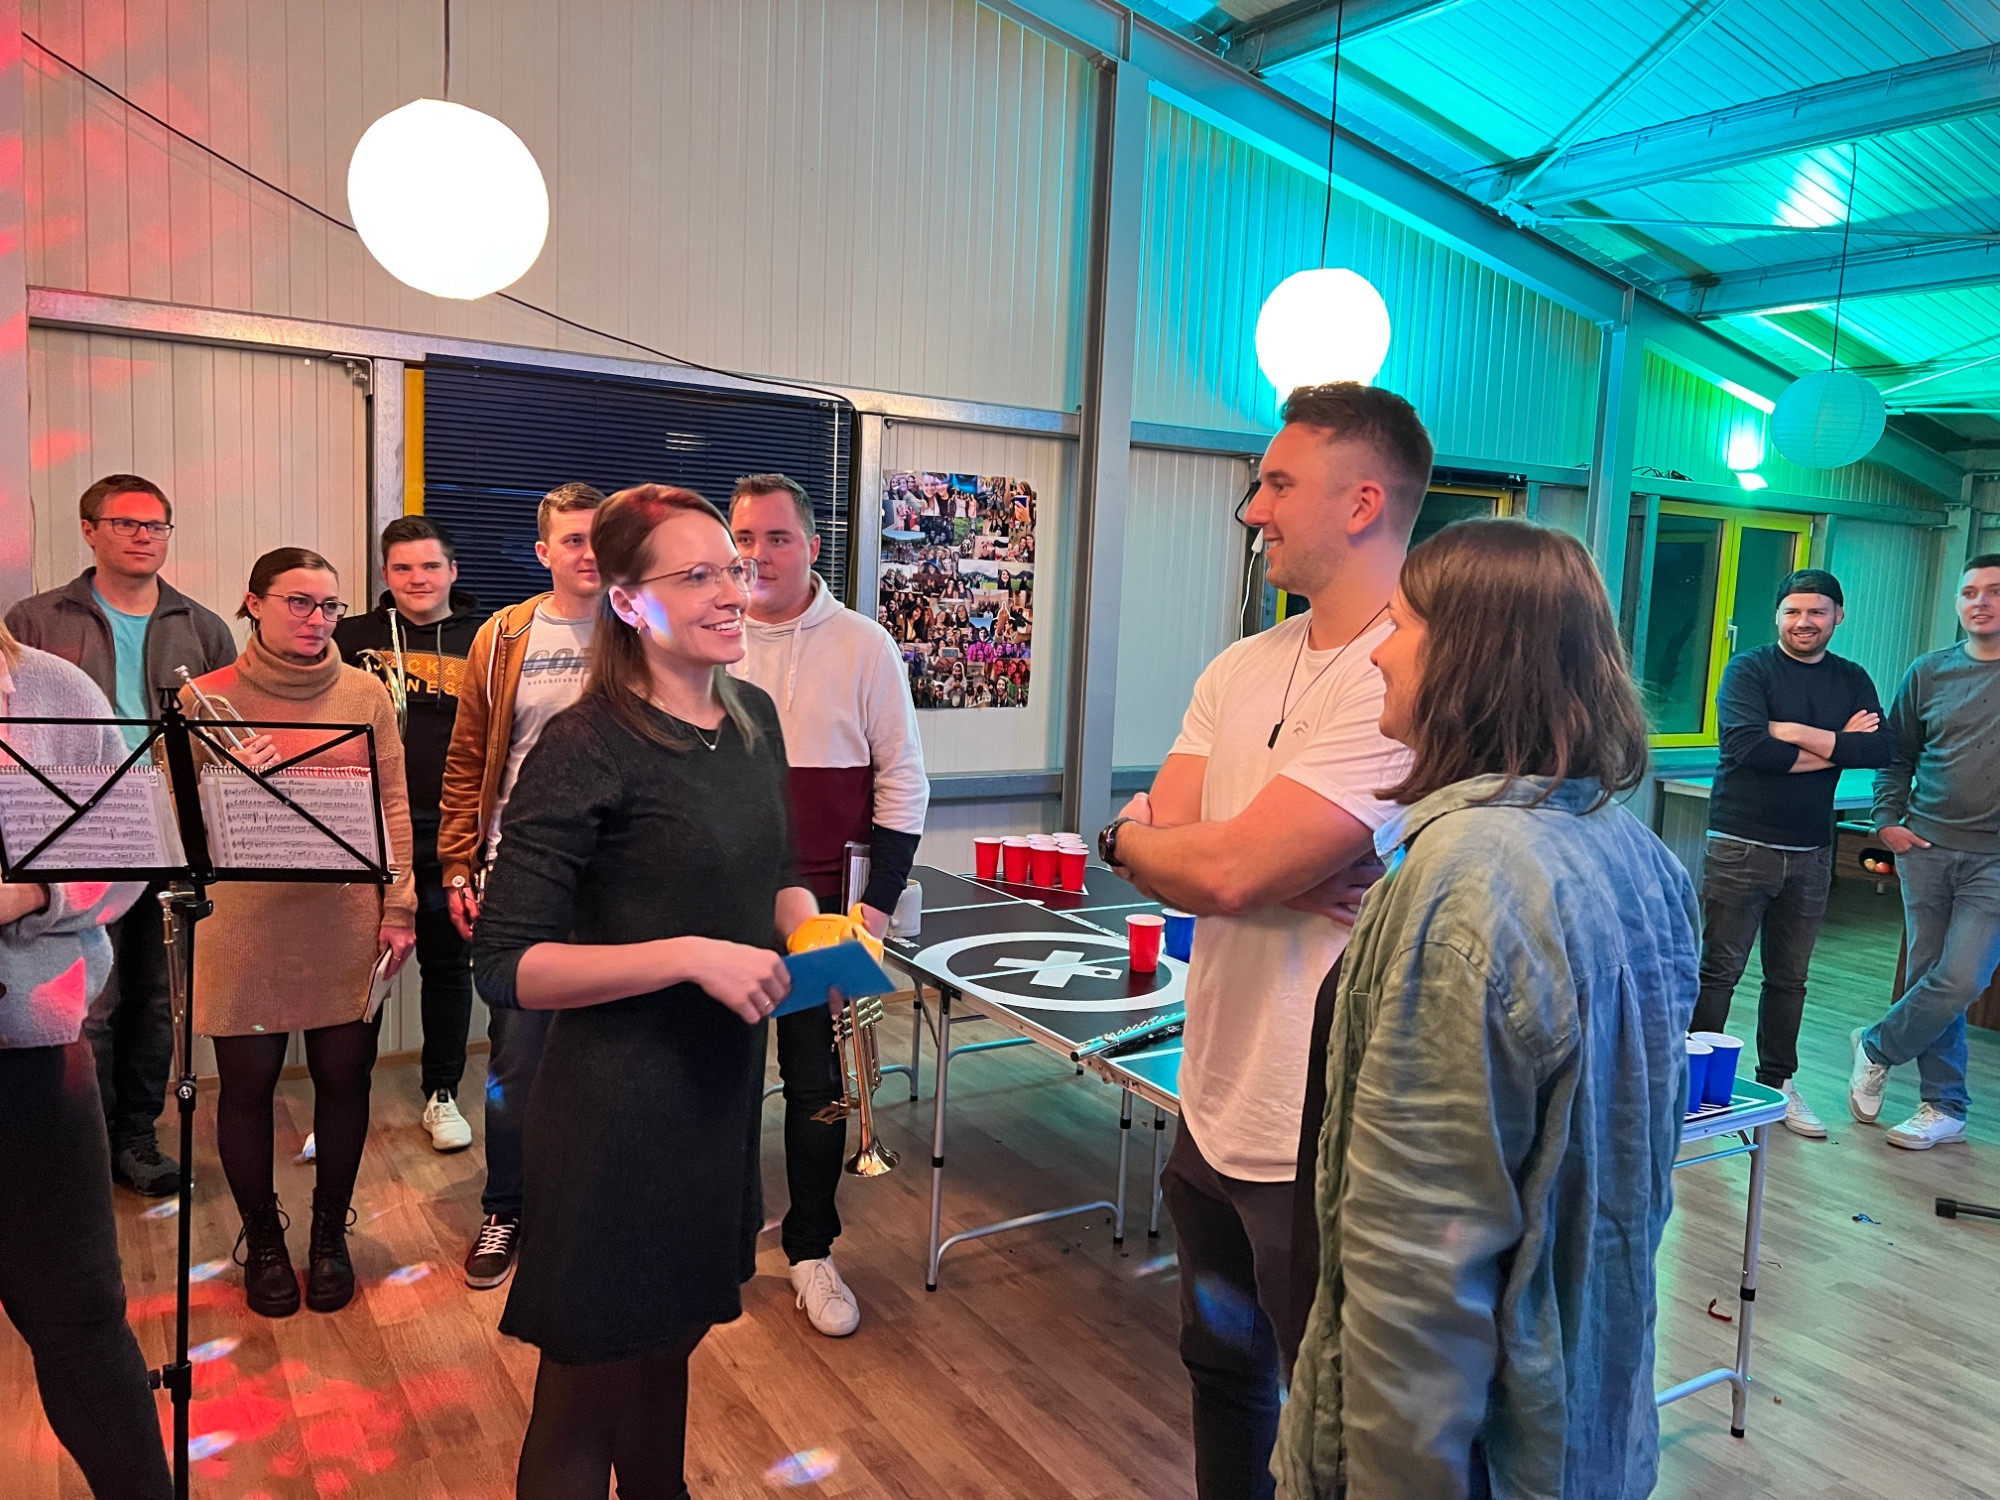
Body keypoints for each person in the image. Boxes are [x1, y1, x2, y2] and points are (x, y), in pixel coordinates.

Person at [1274, 519, 1697, 1500]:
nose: (1377, 654)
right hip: (1578, 1421)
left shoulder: (1464, 882)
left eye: (1400, 625)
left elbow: (1419, 1265)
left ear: (1471, 655)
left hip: (1468, 1452)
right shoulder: (1635, 854)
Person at [1100, 383, 1426, 1500]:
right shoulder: (1239, 666)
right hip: (1214, 1095)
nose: (1253, 510)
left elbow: (1225, 871)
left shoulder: (1406, 677)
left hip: (1328, 1123)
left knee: (1333, 1418)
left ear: (1362, 503)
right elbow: (1179, 844)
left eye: (1278, 484)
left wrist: (1206, 857)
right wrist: (1148, 843)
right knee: (1222, 1370)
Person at [472, 484, 817, 1500]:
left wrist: (813, 930)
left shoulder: (750, 717)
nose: (732, 592)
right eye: (698, 575)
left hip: (716, 1093)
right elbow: (508, 962)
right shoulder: (584, 743)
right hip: (617, 1107)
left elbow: (777, 870)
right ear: (627, 602)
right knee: (586, 1389)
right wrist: (690, 955)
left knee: (668, 1347)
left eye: (735, 570)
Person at [185, 548, 416, 1317]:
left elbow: (393, 805)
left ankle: (327, 1235)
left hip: (343, 918)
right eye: (299, 602)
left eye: (330, 606)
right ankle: (264, 1239)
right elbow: (176, 820)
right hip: (243, 921)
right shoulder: (204, 697)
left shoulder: (364, 692)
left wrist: (400, 907)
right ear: (254, 602)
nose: (318, 620)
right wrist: (225, 781)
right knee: (247, 1087)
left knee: (346, 1079)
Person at [728, 473, 929, 1338]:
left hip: (823, 915)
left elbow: (904, 782)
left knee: (816, 1084)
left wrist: (872, 912)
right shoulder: (710, 634)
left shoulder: (865, 645)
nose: (758, 555)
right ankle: (723, 1235)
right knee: (721, 1080)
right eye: (744, 538)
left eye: (777, 537)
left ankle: (811, 1249)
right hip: (724, 907)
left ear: (813, 546)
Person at [5, 473, 236, 1197]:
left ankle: (137, 1134)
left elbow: (222, 738)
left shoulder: (202, 626)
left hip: (172, 832)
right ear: (89, 530)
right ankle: (86, 1135)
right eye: (126, 523)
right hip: (76, 837)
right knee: (91, 996)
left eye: (156, 525)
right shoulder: (35, 620)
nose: (143, 537)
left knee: (158, 994)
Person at [0, 622, 173, 1499]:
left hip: (26, 1057)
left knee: (81, 1323)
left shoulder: (54, 692)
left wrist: (32, 891)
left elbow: (127, 848)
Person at [437, 482, 606, 1289]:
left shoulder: (645, 627)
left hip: (617, 882)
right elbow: (469, 755)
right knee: (518, 1054)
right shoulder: (504, 636)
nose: (588, 552)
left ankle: (592, 1211)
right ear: (543, 552)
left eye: (600, 537)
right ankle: (506, 1205)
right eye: (572, 540)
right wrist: (457, 862)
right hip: (521, 873)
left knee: (612, 1053)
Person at [1687, 568, 1894, 1137]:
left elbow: (1879, 748)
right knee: (1719, 971)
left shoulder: (1851, 677)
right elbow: (1748, 748)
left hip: (1811, 849)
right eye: (1793, 611)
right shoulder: (1749, 670)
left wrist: (1792, 731)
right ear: (1777, 616)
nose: (1804, 621)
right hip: (1741, 843)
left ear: (1838, 616)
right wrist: (1838, 743)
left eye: (1817, 611)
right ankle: (1695, 1087)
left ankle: (1778, 1083)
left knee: (1790, 978)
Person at [335, 516, 489, 1153]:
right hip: (369, 828)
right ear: (384, 575)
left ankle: (442, 1092)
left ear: (453, 571)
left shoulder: (487, 639)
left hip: (455, 829)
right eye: (402, 567)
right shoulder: (350, 636)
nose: (417, 578)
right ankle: (343, 1103)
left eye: (430, 566)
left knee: (448, 966)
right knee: (361, 967)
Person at [1851, 554, 2000, 1149]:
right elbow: (1897, 754)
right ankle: (1944, 1106)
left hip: (1994, 861)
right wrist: (1886, 820)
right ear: (1958, 603)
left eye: (1995, 591)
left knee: (1960, 978)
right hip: (1926, 848)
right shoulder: (1930, 672)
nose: (1981, 602)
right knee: (1927, 973)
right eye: (1970, 592)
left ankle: (1877, 1045)